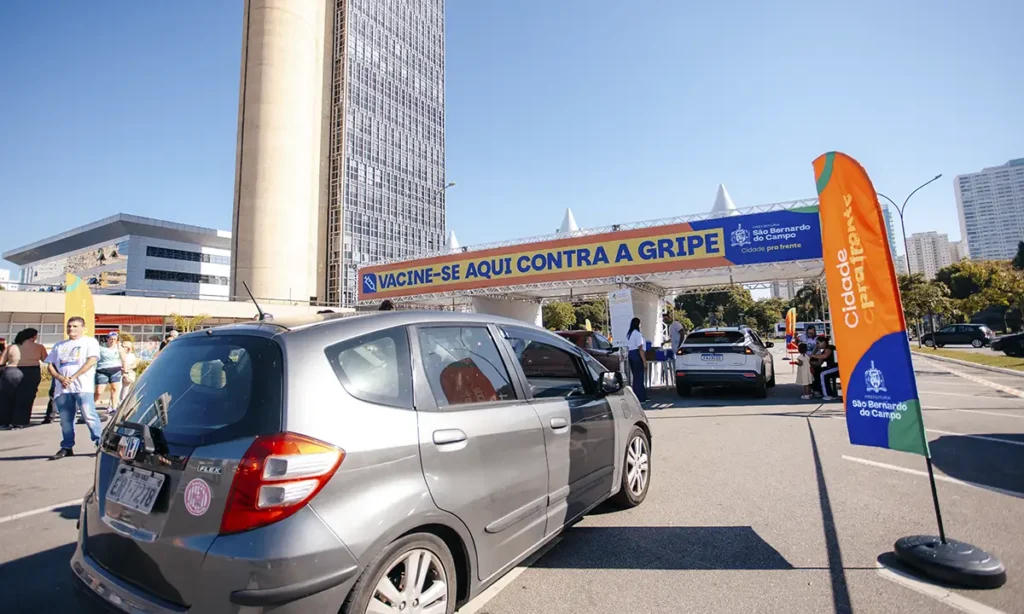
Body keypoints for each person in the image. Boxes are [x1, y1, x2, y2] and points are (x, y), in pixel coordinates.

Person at [45, 317, 103, 460]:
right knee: (66, 420)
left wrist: (74, 376)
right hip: (63, 389)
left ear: (83, 328)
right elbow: (50, 365)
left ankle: (100, 444)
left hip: (82, 386)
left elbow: (92, 361)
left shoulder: (90, 342)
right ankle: (67, 446)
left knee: (89, 416)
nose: (71, 329)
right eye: (69, 326)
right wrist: (60, 378)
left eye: (75, 326)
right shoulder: (59, 345)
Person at [0, 328, 49, 429]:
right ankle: (19, 422)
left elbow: (1, 362)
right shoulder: (39, 347)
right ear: (34, 336)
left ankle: (4, 422)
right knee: (25, 398)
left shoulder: (11, 347)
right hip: (30, 372)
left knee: (7, 398)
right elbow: (46, 359)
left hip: (11, 372)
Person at [94, 332, 124, 414]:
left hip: (115, 370)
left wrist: (125, 368)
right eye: (111, 339)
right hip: (102, 370)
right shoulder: (100, 347)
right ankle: (91, 407)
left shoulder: (119, 348)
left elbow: (123, 358)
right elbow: (94, 358)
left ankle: (114, 408)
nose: (112, 341)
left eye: (114, 339)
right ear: (107, 339)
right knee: (99, 391)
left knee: (115, 390)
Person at [625, 317, 648, 403]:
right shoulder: (637, 334)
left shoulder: (629, 334)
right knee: (639, 377)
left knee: (636, 376)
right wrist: (644, 361)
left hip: (631, 354)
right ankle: (640, 397)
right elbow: (640, 348)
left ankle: (640, 396)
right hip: (637, 355)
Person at [119, 340, 138, 405]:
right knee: (117, 389)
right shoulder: (120, 354)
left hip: (128, 373)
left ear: (128, 348)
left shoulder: (132, 356)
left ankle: (122, 403)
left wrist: (127, 368)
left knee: (125, 389)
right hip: (119, 373)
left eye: (123, 346)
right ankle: (113, 405)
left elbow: (135, 365)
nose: (122, 347)